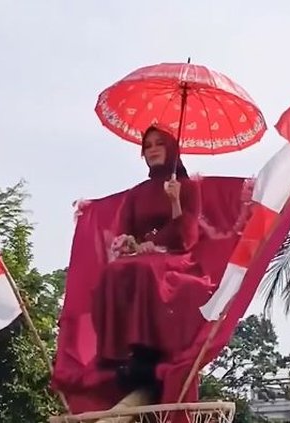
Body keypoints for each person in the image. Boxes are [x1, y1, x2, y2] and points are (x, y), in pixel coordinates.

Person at [91, 125, 213, 395]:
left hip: (176, 259)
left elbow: (187, 239)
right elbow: (127, 232)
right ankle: (116, 355)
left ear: (172, 149)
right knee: (112, 272)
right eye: (148, 146)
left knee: (145, 269)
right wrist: (129, 242)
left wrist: (175, 202)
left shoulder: (188, 187)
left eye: (159, 143)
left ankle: (144, 351)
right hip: (141, 258)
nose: (153, 150)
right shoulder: (137, 192)